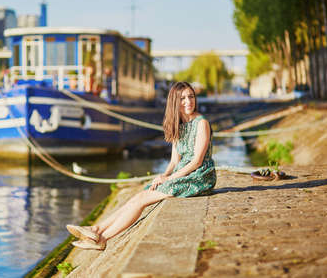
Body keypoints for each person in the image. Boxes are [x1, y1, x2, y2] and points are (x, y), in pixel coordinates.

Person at [67, 81, 217, 250]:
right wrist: (162, 176)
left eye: (191, 96)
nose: (188, 101)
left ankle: (102, 238)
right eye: (182, 98)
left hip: (200, 176)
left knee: (141, 201)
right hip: (183, 173)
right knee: (140, 195)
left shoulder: (201, 123)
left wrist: (169, 178)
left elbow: (197, 161)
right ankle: (96, 230)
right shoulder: (178, 125)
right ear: (174, 101)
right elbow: (175, 160)